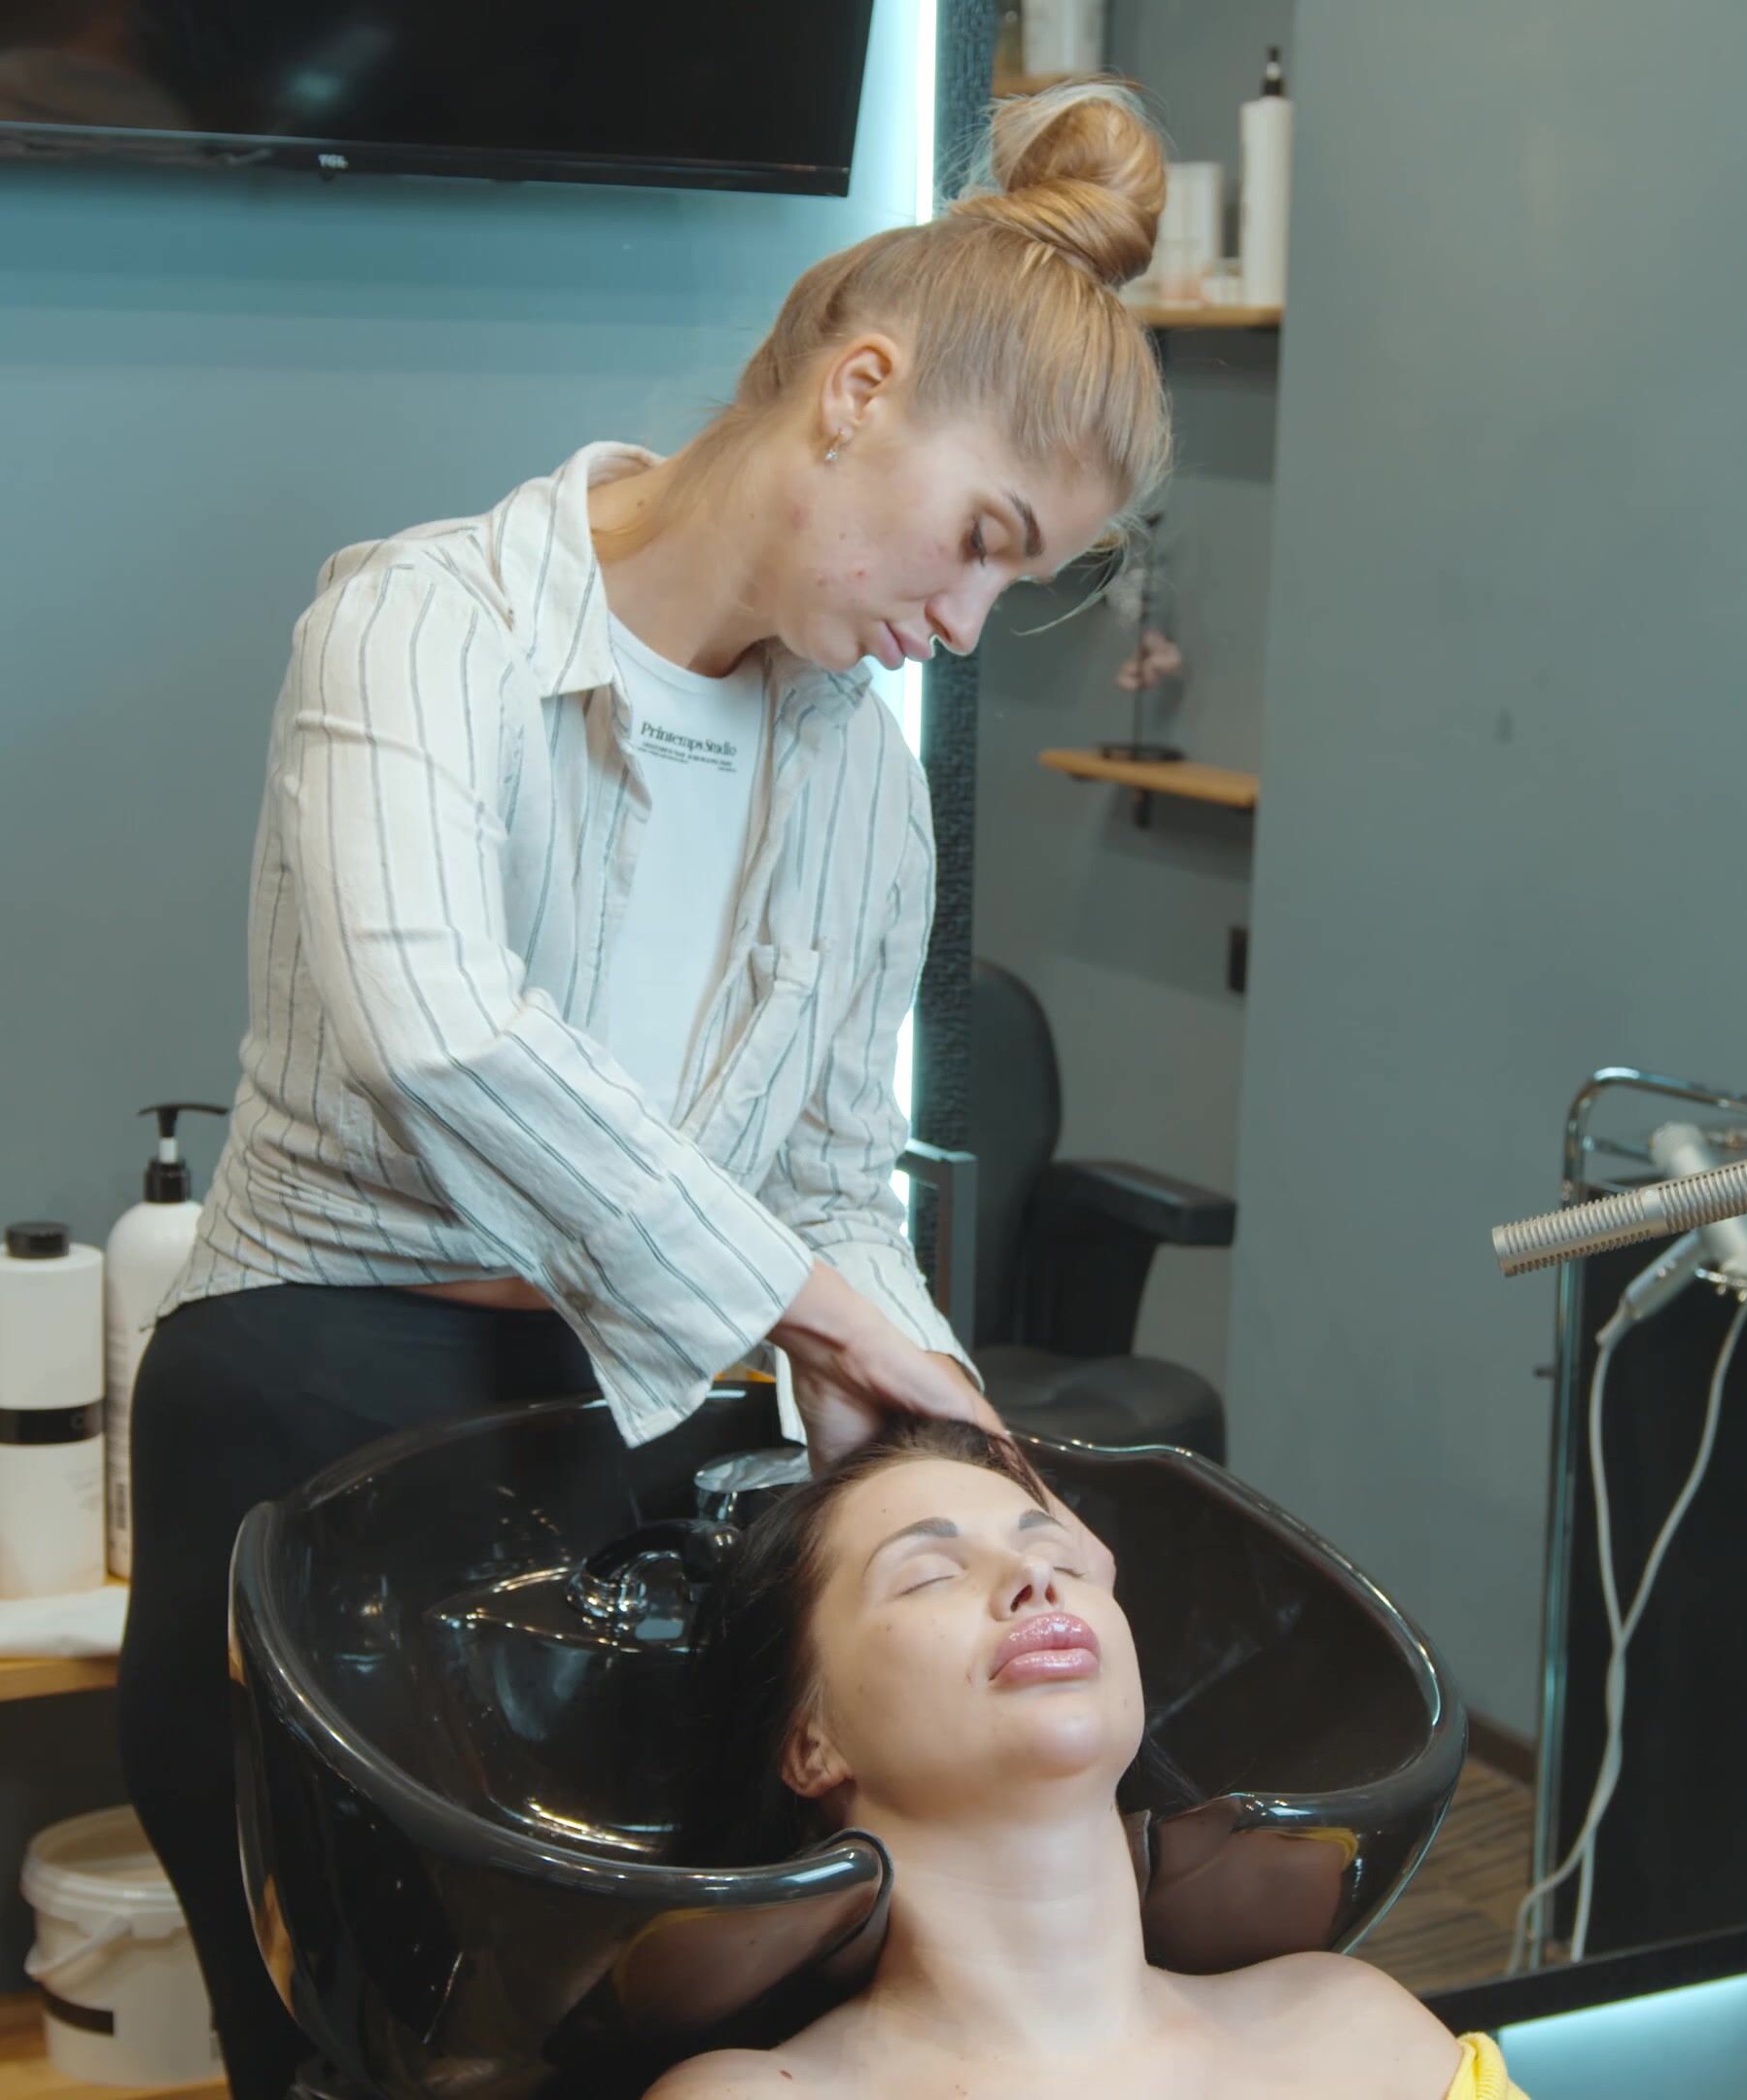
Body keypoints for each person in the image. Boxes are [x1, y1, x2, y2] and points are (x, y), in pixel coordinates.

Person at [117, 82, 1184, 2100]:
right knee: (361, 2049)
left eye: (1016, 585)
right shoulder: (422, 627)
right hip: (315, 1402)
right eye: (981, 542)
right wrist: (811, 1308)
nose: (961, 626)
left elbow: (833, 1184)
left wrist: (958, 1455)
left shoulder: (860, 782)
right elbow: (439, 1025)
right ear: (858, 390)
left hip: (642, 1435)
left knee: (644, 2050)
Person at [656, 1418, 1520, 2099]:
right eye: (930, 1574)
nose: (1033, 1582)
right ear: (811, 1742)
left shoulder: (1360, 2036)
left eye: (1059, 1559)